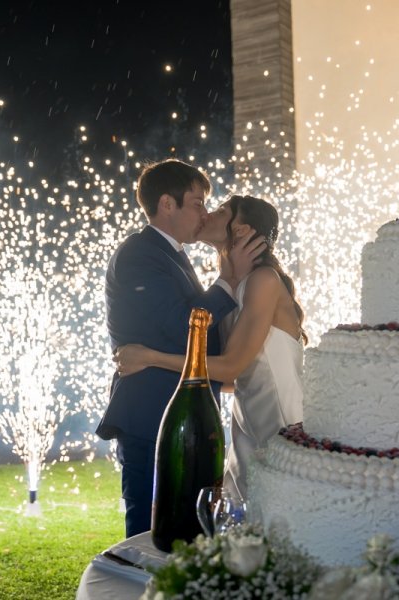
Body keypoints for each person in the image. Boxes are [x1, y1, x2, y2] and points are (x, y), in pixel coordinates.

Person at [96, 160, 264, 538]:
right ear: (167, 204)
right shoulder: (141, 254)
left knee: (188, 529)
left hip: (183, 414)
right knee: (148, 532)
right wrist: (227, 280)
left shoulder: (171, 254)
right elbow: (181, 326)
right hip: (152, 413)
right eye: (197, 202)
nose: (204, 213)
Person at [115, 195, 306, 500]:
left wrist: (151, 358)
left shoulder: (263, 281)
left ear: (241, 230)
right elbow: (229, 378)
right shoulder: (233, 290)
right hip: (247, 422)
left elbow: (230, 366)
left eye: (219, 211)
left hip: (279, 421)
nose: (207, 214)